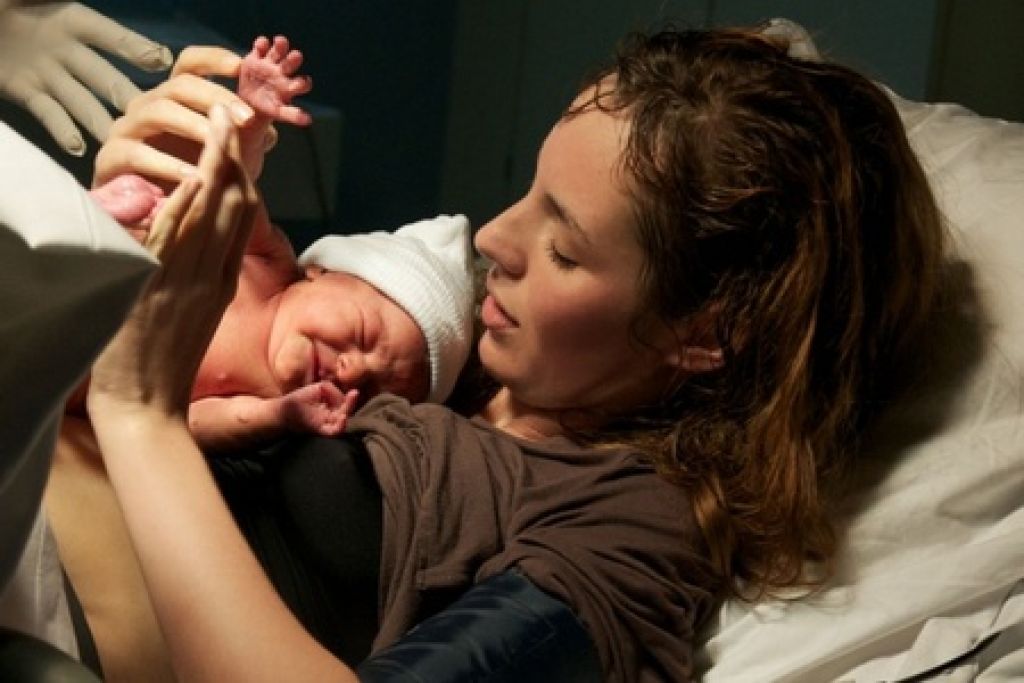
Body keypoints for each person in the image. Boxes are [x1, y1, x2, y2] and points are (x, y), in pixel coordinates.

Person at [82, 23, 944, 682]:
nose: (493, 237)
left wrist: (138, 413)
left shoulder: (626, 531)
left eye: (564, 248)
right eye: (528, 192)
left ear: (703, 335)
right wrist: (109, 243)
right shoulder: (440, 337)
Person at [74, 35, 476, 451]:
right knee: (158, 207)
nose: (353, 371)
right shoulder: (268, 267)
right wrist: (250, 120)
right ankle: (98, 216)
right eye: (361, 334)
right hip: (82, 280)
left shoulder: (267, 396)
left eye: (371, 391)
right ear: (319, 273)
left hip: (65, 380)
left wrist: (277, 416)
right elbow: (229, 183)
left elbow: (187, 421)